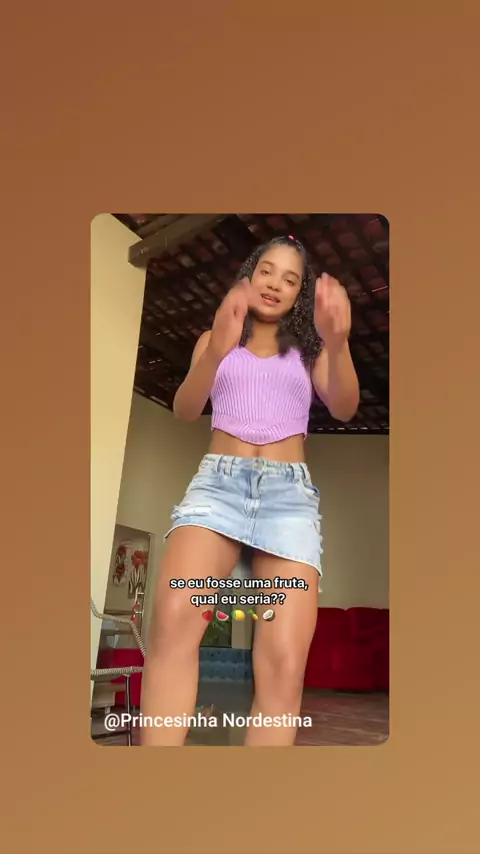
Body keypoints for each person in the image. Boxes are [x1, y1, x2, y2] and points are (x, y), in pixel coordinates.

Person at [140, 235, 359, 746]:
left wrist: (339, 342)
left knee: (284, 664)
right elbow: (185, 409)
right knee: (174, 621)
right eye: (267, 270)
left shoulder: (309, 351)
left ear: (300, 293)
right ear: (249, 273)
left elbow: (345, 406)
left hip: (288, 500)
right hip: (216, 489)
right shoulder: (214, 338)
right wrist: (217, 349)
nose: (275, 284)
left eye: (290, 279)